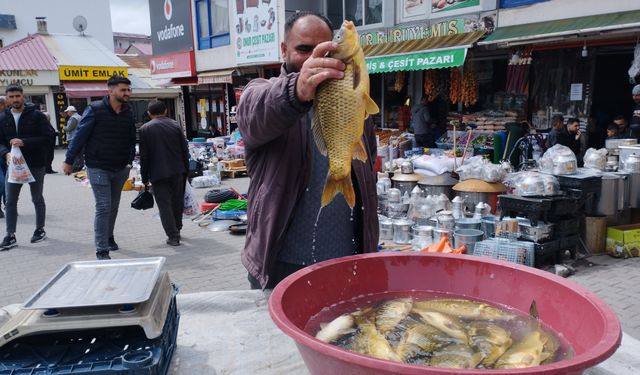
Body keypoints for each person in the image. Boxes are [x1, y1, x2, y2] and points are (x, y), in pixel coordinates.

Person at [237, 11, 378, 290]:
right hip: (282, 265)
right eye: (303, 50)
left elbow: (367, 159)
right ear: (284, 50)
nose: (315, 58)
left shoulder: (352, 100)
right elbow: (254, 115)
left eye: (323, 49)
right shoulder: (263, 92)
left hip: (348, 259)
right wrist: (297, 91)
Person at [62, 76, 136, 260]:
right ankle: (102, 249)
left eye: (128, 90)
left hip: (120, 167)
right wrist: (69, 160)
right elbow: (80, 136)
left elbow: (130, 136)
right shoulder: (95, 109)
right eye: (123, 90)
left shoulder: (128, 111)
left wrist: (129, 159)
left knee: (114, 206)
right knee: (103, 206)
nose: (127, 93)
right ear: (110, 90)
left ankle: (109, 236)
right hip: (98, 166)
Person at [0, 84, 55, 249]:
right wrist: (5, 153)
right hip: (13, 166)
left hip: (35, 164)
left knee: (37, 198)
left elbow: (49, 136)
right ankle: (10, 235)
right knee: (10, 201)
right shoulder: (3, 118)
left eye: (18, 96)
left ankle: (40, 229)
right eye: (12, 97)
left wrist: (25, 142)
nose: (15, 99)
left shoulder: (37, 116)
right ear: (7, 98)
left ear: (23, 96)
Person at [139, 100, 189, 246]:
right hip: (178, 171)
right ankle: (177, 229)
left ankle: (173, 236)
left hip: (158, 173)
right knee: (177, 202)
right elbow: (184, 149)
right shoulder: (175, 125)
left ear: (149, 114)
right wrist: (187, 170)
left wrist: (144, 177)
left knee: (164, 205)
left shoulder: (145, 129)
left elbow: (144, 156)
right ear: (165, 111)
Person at [63, 106, 84, 171]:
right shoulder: (80, 117)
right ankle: (80, 166)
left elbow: (69, 128)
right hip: (79, 137)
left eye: (67, 112)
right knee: (79, 153)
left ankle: (75, 167)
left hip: (73, 137)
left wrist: (64, 127)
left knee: (73, 153)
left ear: (71, 111)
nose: (67, 113)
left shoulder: (73, 118)